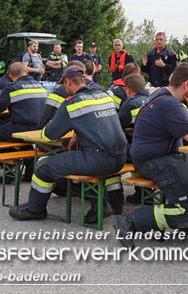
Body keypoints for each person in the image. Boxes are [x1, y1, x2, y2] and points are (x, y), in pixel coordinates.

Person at [8, 64, 127, 221]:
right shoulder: (103, 95)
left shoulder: (72, 103)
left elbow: (49, 135)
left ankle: (35, 209)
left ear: (68, 82)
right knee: (79, 161)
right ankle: (103, 205)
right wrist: (79, 133)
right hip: (120, 157)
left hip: (98, 159)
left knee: (43, 166)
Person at [112, 63, 188, 246]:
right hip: (154, 161)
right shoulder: (169, 104)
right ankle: (130, 221)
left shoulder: (162, 94)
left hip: (165, 156)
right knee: (187, 211)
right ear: (186, 85)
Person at [0, 62, 48, 181]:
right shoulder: (40, 85)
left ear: (10, 75)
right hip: (39, 129)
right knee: (14, 137)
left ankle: (11, 170)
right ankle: (30, 168)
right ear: (26, 72)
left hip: (22, 128)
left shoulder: (12, 87)